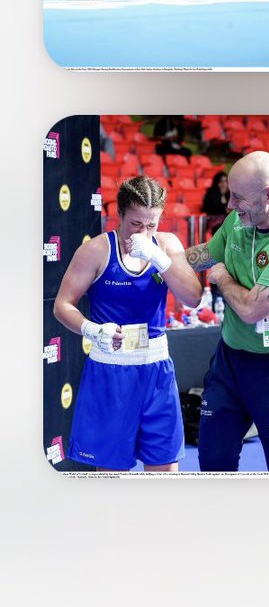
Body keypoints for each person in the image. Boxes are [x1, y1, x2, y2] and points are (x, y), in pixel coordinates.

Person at [53, 176, 202, 472]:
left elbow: (193, 298)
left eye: (151, 225)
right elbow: (62, 305)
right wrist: (92, 330)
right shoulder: (96, 251)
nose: (144, 232)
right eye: (136, 224)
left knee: (165, 475)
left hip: (157, 370)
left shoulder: (168, 245)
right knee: (112, 480)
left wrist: (161, 260)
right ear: (119, 215)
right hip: (110, 372)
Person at [185, 151, 269, 472]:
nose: (229, 205)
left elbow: (251, 310)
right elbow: (202, 257)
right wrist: (157, 259)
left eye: (239, 197)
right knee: (212, 459)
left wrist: (222, 277)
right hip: (230, 364)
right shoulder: (238, 220)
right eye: (230, 195)